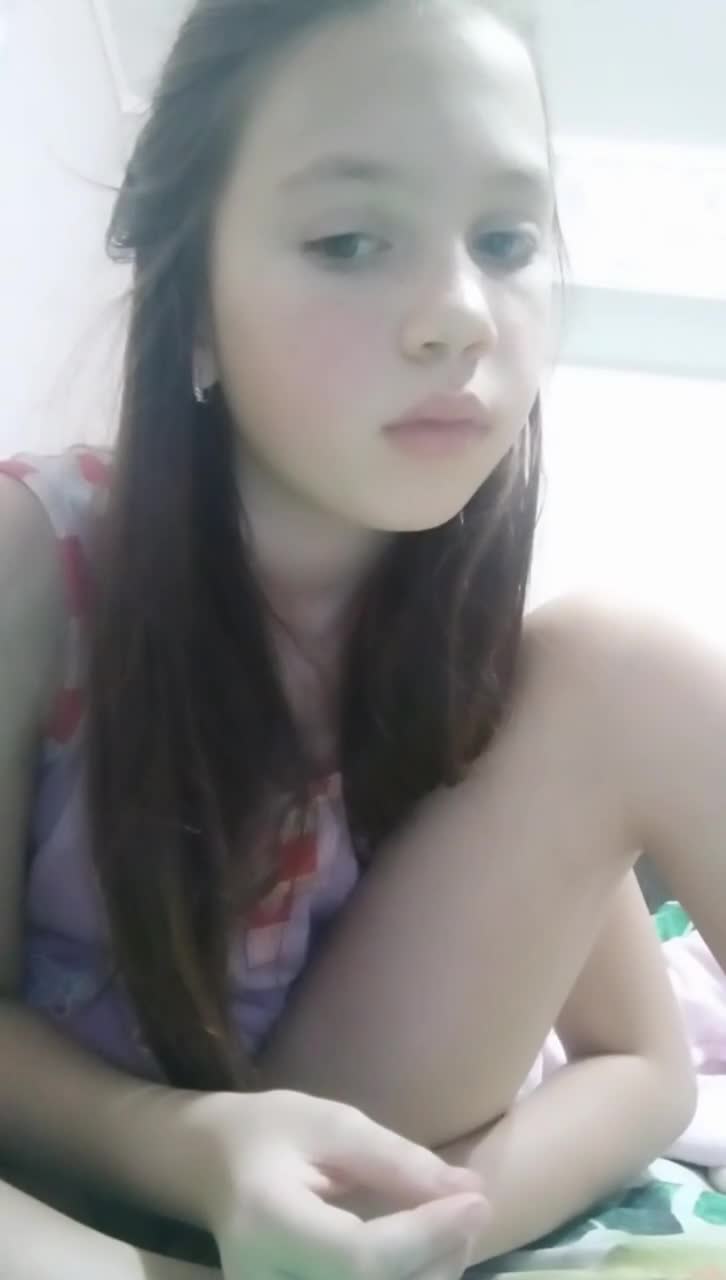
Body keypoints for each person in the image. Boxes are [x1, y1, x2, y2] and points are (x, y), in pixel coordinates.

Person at [1, 0, 724, 1276]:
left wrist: (420, 1233)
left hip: (336, 1163)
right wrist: (195, 1154)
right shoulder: (40, 562)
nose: (459, 314)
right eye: (348, 240)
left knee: (635, 666)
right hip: (104, 1172)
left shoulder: (482, 642)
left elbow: (643, 1065)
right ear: (194, 302)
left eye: (505, 239)